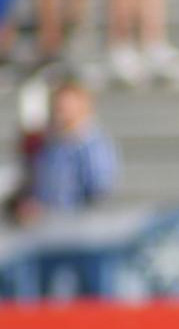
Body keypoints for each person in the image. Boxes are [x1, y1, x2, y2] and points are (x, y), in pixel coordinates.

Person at [11, 74, 119, 223]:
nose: (61, 109)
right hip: (50, 226)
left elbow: (98, 190)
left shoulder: (93, 145)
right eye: (59, 104)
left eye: (67, 104)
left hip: (79, 228)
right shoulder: (52, 144)